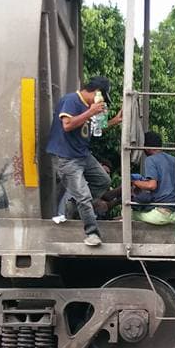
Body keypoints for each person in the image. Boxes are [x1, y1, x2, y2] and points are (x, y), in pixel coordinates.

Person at [45, 76, 122, 246]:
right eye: (103, 98)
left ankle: (76, 204)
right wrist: (90, 112)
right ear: (97, 93)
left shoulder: (88, 108)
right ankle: (92, 233)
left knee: (103, 181)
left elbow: (94, 130)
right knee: (84, 196)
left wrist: (114, 121)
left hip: (82, 155)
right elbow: (67, 125)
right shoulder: (72, 100)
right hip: (67, 157)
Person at [132, 131, 175, 225]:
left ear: (146, 148)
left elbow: (151, 185)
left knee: (127, 213)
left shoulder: (151, 159)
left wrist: (134, 182)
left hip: (161, 214)